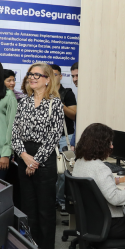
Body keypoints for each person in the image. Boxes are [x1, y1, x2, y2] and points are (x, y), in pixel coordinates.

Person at [11, 62, 64, 249]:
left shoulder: (55, 104)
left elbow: (53, 137)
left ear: (47, 80)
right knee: (28, 209)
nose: (32, 78)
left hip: (45, 160)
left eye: (37, 75)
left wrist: (35, 162)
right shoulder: (23, 102)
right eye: (30, 74)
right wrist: (25, 157)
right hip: (24, 157)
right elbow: (15, 134)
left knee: (45, 211)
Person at [72, 123, 125, 238]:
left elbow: (96, 183)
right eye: (110, 143)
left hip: (92, 221)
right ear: (100, 145)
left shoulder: (80, 162)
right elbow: (114, 198)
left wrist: (120, 180)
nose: (112, 146)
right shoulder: (100, 168)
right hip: (110, 224)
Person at [51, 64, 77, 212]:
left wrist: (59, 105)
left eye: (55, 74)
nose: (52, 78)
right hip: (47, 139)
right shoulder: (42, 93)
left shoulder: (67, 93)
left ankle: (60, 200)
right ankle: (51, 200)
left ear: (60, 76)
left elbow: (74, 115)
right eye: (49, 75)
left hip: (64, 138)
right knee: (49, 172)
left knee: (62, 173)